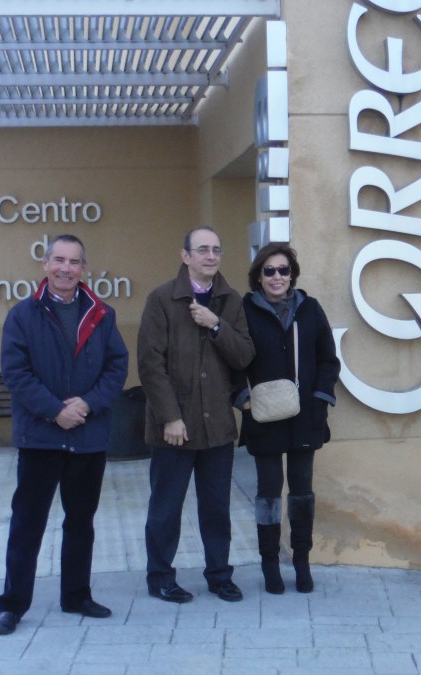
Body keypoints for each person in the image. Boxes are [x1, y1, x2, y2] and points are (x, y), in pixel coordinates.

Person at [0, 234, 130, 636]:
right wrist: (56, 411)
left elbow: (116, 367)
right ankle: (13, 605)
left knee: (81, 522)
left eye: (73, 262)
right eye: (58, 260)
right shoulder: (22, 315)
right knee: (27, 525)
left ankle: (76, 596)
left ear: (83, 268)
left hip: (88, 438)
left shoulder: (101, 314)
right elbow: (15, 374)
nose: (65, 268)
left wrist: (86, 405)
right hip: (40, 438)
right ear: (44, 265)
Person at [138, 227, 255, 604]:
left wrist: (215, 324)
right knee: (166, 508)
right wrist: (170, 417)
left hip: (217, 426)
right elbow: (150, 365)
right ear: (185, 256)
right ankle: (160, 577)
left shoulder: (231, 301)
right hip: (175, 427)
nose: (210, 256)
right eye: (202, 249)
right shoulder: (162, 299)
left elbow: (244, 356)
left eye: (216, 250)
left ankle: (219, 575)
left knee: (217, 509)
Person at [237, 243, 340, 594]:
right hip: (263, 417)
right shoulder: (244, 311)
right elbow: (231, 359)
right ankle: (269, 562)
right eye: (269, 271)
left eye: (283, 270)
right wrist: (243, 399)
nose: (277, 277)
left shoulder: (309, 309)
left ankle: (301, 560)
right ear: (258, 276)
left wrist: (320, 399)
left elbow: (328, 358)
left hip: (304, 417)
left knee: (301, 493)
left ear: (292, 274)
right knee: (267, 494)